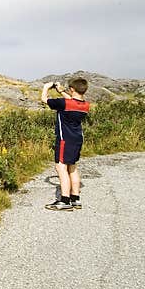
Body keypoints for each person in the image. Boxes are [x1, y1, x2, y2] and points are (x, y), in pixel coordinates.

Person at [41, 78, 90, 211]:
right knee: (72, 168)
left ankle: (64, 200)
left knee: (61, 168)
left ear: (72, 89)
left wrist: (46, 87)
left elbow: (45, 100)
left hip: (64, 140)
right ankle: (75, 199)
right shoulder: (85, 105)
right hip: (77, 139)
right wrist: (61, 91)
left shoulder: (64, 103)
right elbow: (72, 101)